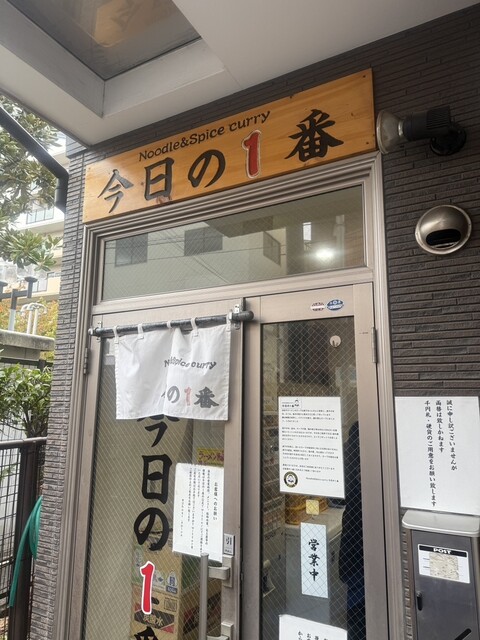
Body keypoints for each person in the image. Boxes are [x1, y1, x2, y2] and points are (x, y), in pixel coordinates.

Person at [338, 421, 365, 639]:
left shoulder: (346, 454)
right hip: (367, 533)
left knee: (355, 592)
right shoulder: (376, 455)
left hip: (352, 533)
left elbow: (337, 498)